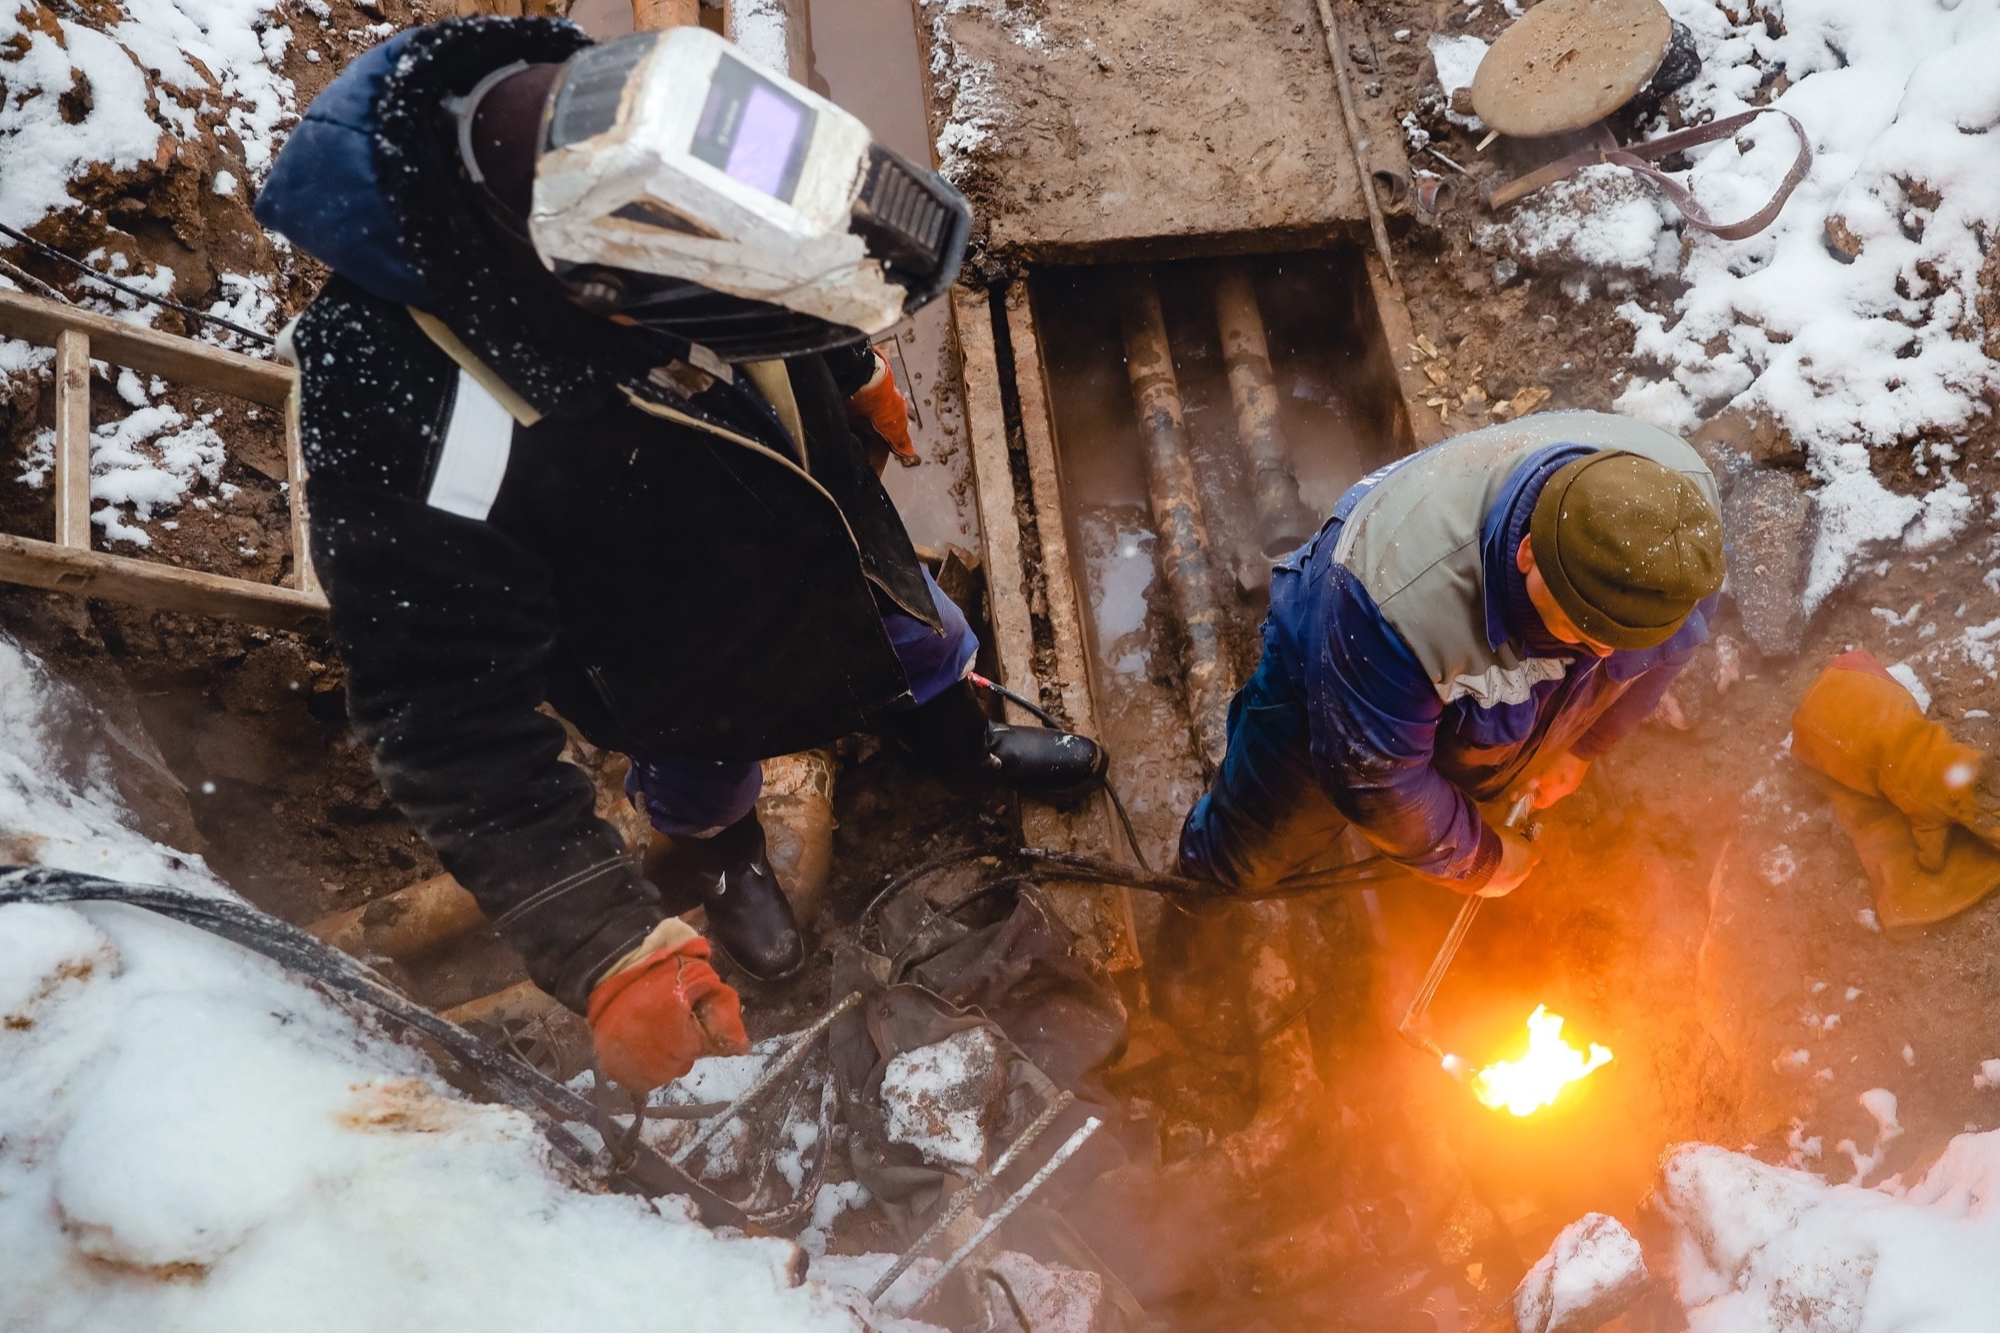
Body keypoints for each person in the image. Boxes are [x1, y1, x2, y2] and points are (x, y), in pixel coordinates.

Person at [253, 17, 1104, 1090]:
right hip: (672, 655)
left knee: (926, 641)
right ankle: (729, 856)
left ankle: (956, 742)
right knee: (701, 776)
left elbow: (777, 225)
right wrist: (601, 944)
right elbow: (444, 715)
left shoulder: (639, 117)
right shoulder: (410, 404)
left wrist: (845, 369)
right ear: (610, 304)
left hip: (823, 527)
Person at [1172, 410, 1725, 918]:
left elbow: (1664, 657)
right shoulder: (1393, 601)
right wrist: (1479, 861)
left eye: (1619, 640)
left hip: (1462, 686)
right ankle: (1195, 912)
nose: (1604, 655)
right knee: (1255, 849)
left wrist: (1583, 747)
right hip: (1332, 661)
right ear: (1528, 552)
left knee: (1442, 800)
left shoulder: (1682, 542)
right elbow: (1375, 778)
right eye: (1582, 631)